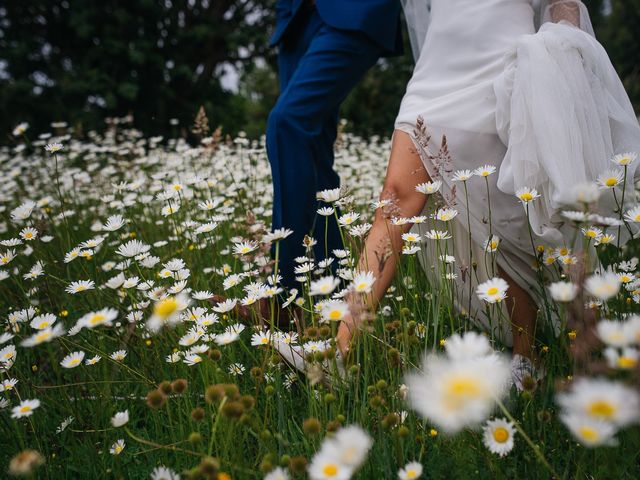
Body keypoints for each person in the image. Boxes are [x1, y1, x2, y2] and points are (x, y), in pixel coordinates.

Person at [274, 0, 640, 386]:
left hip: (500, 65)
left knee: (498, 216)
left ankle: (525, 355)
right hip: (435, 71)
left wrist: (565, 59)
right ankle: (337, 354)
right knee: (394, 203)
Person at [266, 0, 403, 296]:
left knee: (286, 123)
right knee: (313, 150)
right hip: (295, 18)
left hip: (353, 9)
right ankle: (334, 286)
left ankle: (283, 291)